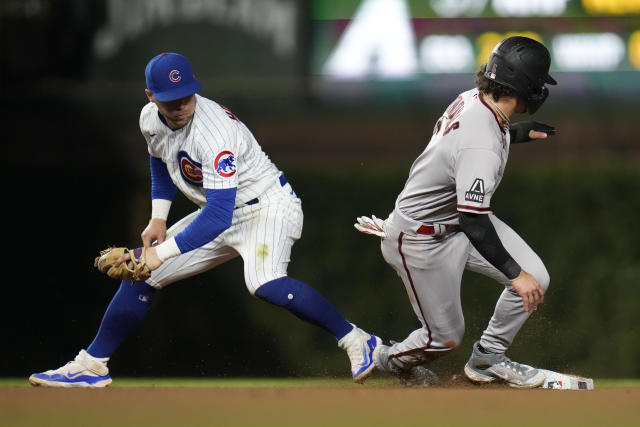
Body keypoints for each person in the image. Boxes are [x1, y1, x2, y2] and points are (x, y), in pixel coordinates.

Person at [29, 52, 381, 387]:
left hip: (266, 207)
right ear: (151, 96)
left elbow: (216, 217)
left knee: (264, 281)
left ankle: (357, 340)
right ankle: (91, 366)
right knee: (142, 275)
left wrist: (157, 254)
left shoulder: (214, 135)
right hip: (224, 211)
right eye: (171, 99)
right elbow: (160, 160)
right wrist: (158, 219)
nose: (182, 105)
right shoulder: (149, 118)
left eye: (187, 95)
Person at [354, 36, 556, 388]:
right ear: (525, 85)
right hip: (420, 238)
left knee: (536, 276)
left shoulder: (474, 98)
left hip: (455, 223)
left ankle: (488, 358)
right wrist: (514, 274)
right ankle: (384, 356)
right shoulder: (483, 142)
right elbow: (474, 219)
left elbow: (479, 139)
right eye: (538, 81)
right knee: (443, 338)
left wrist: (520, 133)